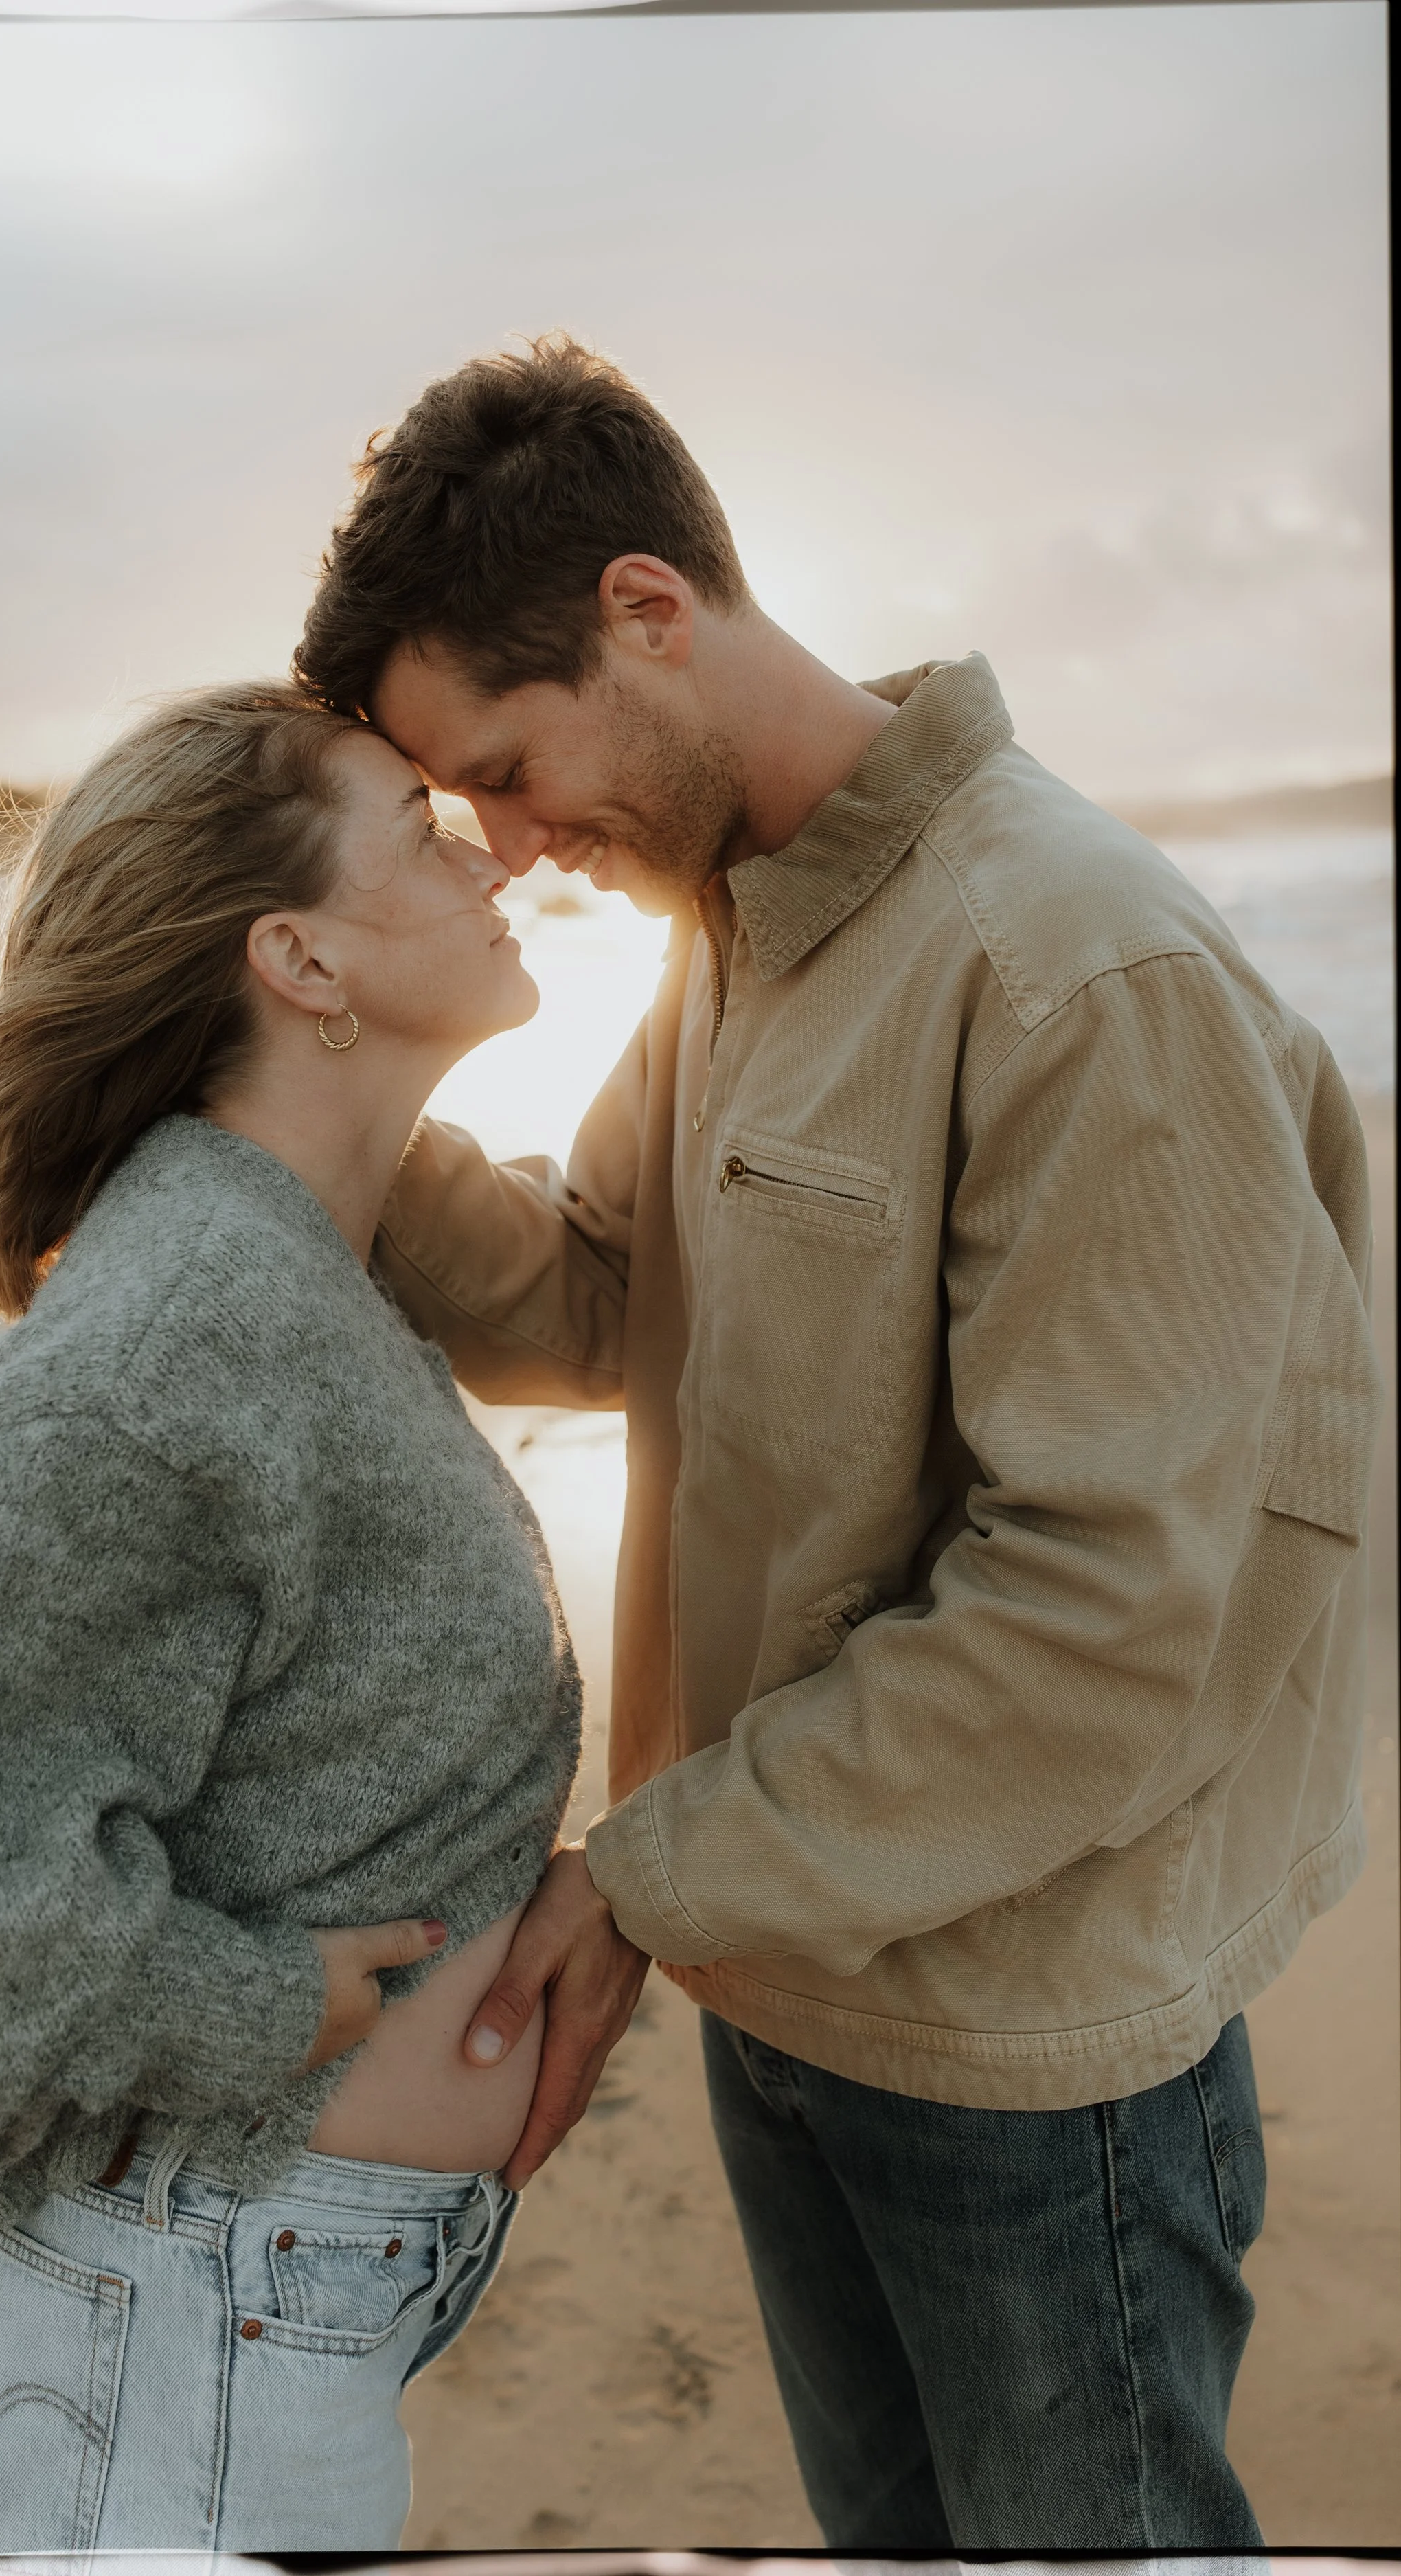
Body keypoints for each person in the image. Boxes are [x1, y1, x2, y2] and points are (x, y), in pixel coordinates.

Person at [290, 336, 1385, 2549]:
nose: (509, 847)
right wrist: (326, 1110)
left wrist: (646, 1867)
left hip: (1022, 2053)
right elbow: (607, 1287)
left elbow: (1089, 1626)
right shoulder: (735, 923)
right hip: (769, 1965)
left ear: (648, 611)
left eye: (505, 767)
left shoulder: (1079, 965)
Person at [0, 684, 587, 2555]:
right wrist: (222, 2005)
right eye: (424, 828)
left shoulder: (282, 1260)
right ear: (301, 956)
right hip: (173, 2316)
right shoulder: (203, 1299)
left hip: (213, 2305)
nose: (493, 847)